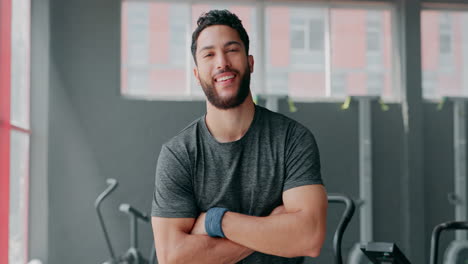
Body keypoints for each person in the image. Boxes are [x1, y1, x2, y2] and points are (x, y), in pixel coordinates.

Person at [151, 9, 327, 264]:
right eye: (209, 54)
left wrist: (215, 221)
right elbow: (173, 258)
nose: (222, 62)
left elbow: (309, 238)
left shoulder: (292, 139)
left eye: (232, 50)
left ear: (250, 62)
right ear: (197, 75)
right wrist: (272, 227)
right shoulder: (179, 154)